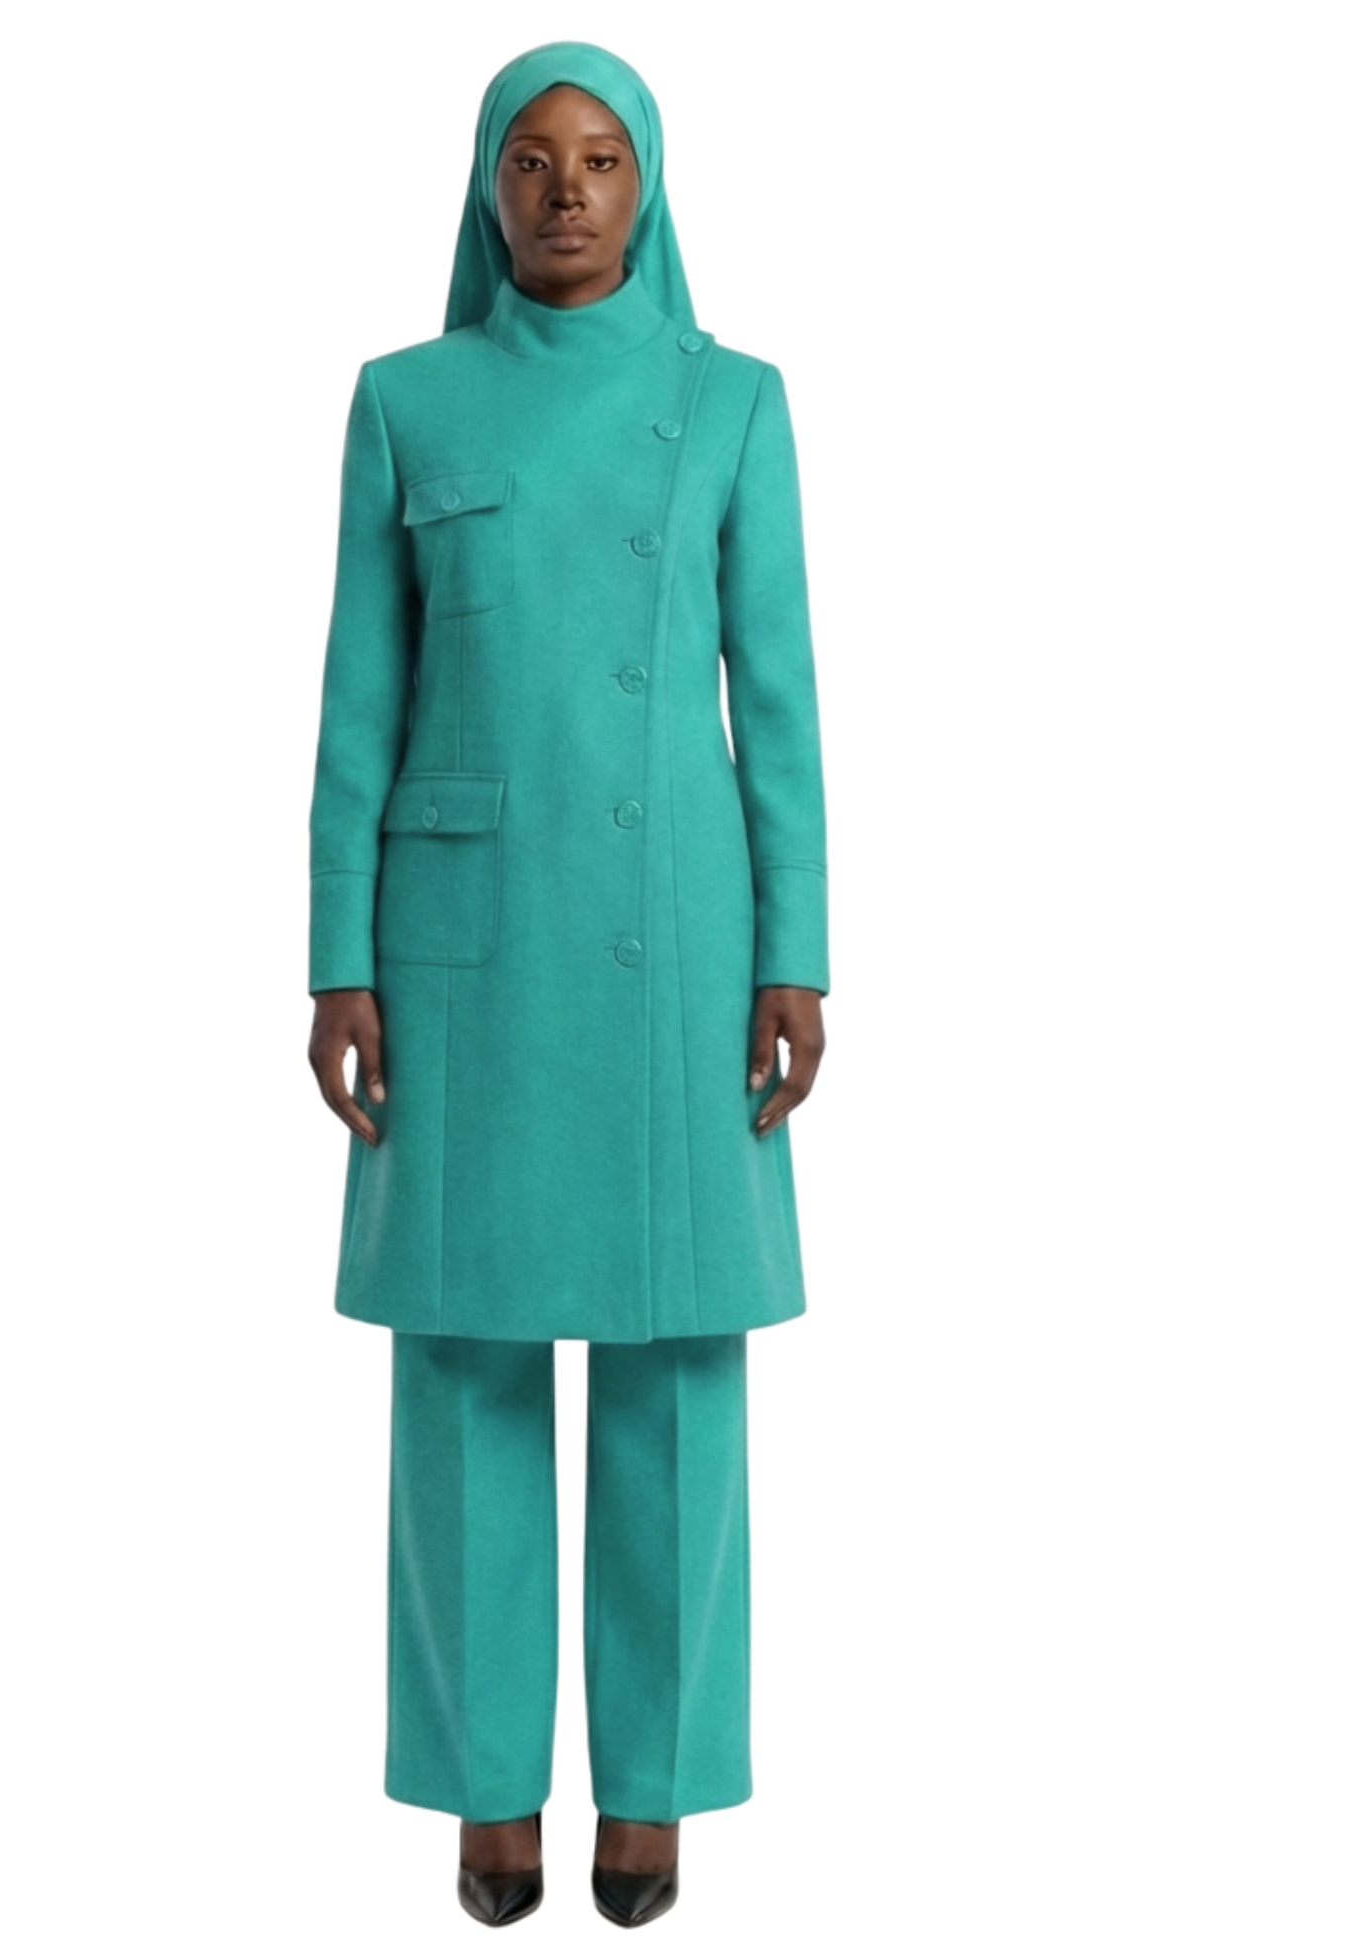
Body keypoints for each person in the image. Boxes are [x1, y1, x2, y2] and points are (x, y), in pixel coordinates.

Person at [304, 41, 830, 1928]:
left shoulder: (732, 403)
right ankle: (486, 1792)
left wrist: (795, 950)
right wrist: (336, 956)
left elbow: (777, 703)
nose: (566, 191)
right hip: (455, 948)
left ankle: (656, 1789)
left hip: (675, 935)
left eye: (601, 158)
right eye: (530, 160)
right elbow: (356, 705)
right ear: (484, 186)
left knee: (674, 1367)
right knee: (463, 1367)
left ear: (649, 182)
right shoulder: (405, 399)